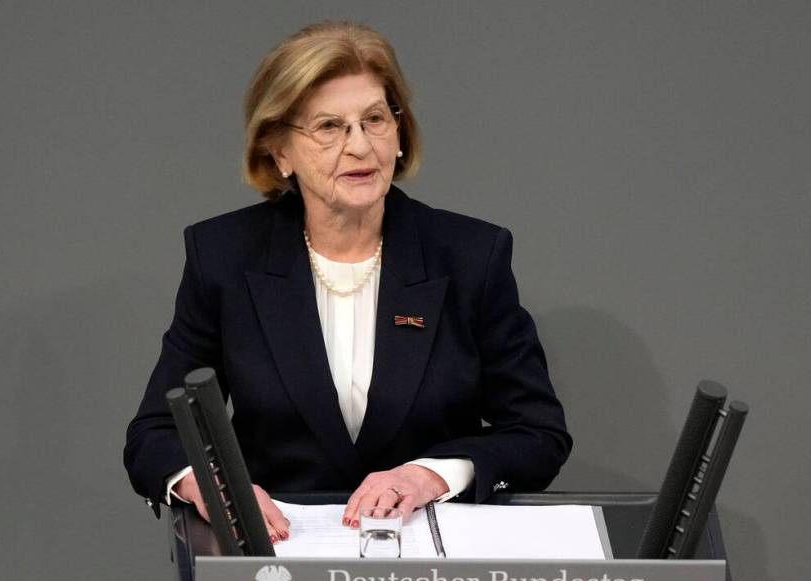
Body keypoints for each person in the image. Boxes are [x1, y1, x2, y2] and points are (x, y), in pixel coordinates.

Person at [124, 21, 570, 544]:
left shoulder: (470, 256)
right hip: (281, 561)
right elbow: (154, 436)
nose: (359, 146)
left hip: (432, 567)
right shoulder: (223, 257)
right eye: (330, 127)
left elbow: (538, 434)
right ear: (279, 151)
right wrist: (207, 484)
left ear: (400, 135)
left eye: (375, 120)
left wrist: (433, 475)